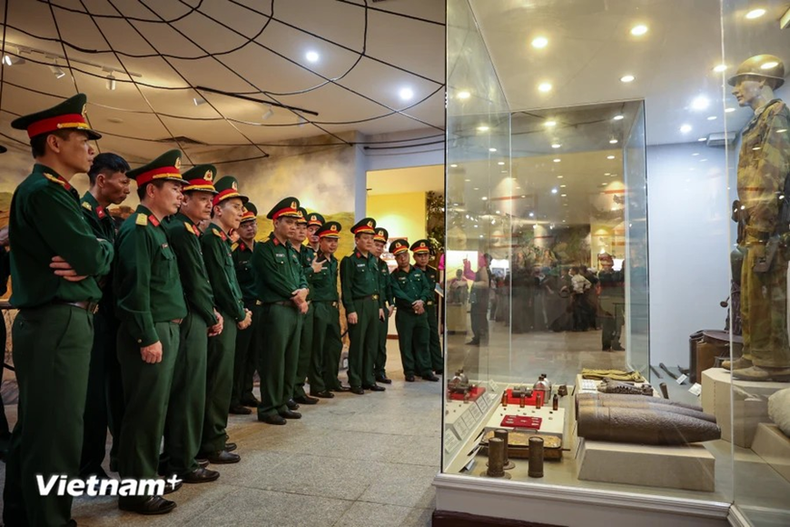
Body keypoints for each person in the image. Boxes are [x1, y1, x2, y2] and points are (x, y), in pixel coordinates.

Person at [4, 93, 115, 526]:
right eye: (82, 139)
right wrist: (99, 254)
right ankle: (48, 518)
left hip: (60, 318)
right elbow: (91, 258)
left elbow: (94, 254)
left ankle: (22, 514)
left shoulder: (55, 192)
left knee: (37, 428)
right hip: (58, 318)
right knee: (56, 432)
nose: (90, 149)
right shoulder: (46, 193)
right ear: (54, 142)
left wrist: (97, 252)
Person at [114, 149, 187, 515]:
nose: (180, 194)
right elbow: (134, 289)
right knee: (143, 413)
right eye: (174, 187)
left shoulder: (155, 228)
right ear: (151, 190)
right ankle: (136, 490)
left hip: (164, 328)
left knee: (153, 411)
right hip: (151, 331)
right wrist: (147, 336)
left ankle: (142, 477)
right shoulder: (138, 229)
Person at [726, 55, 790, 381]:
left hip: (769, 227)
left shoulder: (776, 117)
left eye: (742, 81)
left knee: (767, 295)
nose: (736, 89)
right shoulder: (758, 120)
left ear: (762, 80)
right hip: (754, 226)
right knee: (751, 294)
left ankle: (773, 361)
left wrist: (763, 226)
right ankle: (754, 354)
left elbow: (771, 175)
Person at [161, 164, 223, 483]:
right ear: (184, 200)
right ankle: (181, 461)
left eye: (210, 198)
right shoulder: (181, 230)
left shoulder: (188, 229)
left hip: (195, 314)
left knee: (192, 390)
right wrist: (212, 314)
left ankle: (183, 454)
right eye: (201, 197)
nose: (208, 203)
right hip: (190, 318)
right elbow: (196, 281)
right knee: (187, 392)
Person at [78, 153, 131, 480]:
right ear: (102, 180)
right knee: (92, 398)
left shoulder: (106, 219)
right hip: (92, 317)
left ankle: (114, 459)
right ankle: (87, 468)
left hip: (111, 316)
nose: (127, 187)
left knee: (114, 393)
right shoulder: (81, 214)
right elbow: (95, 263)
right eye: (123, 180)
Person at [199, 176, 252, 463]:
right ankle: (210, 441)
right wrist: (240, 313)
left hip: (229, 315)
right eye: (235, 206)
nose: (241, 212)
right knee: (216, 381)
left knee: (222, 379)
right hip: (220, 319)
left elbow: (230, 282)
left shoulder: (220, 239)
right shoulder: (211, 239)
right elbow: (220, 284)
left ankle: (216, 435)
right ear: (218, 210)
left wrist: (241, 309)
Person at [252, 197, 309, 425]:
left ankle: (283, 402)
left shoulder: (292, 251)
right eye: (289, 222)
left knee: (289, 360)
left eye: (296, 223)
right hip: (276, 311)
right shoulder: (264, 249)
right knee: (274, 361)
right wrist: (297, 297)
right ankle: (268, 407)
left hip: (293, 311)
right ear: (276, 223)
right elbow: (273, 279)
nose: (294, 227)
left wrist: (304, 290)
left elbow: (302, 275)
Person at [340, 218, 386, 394]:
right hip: (359, 306)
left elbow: (377, 286)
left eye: (371, 238)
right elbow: (347, 288)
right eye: (365, 238)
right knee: (358, 345)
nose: (369, 241)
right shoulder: (350, 261)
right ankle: (356, 381)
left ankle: (369, 378)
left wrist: (380, 305)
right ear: (356, 240)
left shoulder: (373, 261)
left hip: (374, 305)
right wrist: (350, 309)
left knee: (371, 344)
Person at [289, 207, 325, 406]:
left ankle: (298, 387)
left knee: (304, 350)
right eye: (299, 227)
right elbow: (297, 274)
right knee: (291, 351)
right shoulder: (287, 250)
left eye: (305, 228)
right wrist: (311, 269)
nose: (303, 231)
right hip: (291, 304)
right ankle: (288, 391)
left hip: (307, 306)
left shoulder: (306, 251)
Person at [230, 202, 263, 414]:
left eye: (252, 223)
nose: (249, 228)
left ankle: (247, 391)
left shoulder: (262, 250)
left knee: (254, 354)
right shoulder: (234, 253)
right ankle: (233, 399)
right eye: (245, 224)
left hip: (260, 307)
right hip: (244, 308)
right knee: (239, 356)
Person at [389, 239, 436, 382]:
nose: (402, 258)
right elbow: (398, 293)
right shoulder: (394, 276)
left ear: (409, 255)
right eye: (399, 256)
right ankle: (409, 371)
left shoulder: (418, 272)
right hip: (405, 314)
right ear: (396, 258)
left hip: (421, 313)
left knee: (423, 341)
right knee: (406, 344)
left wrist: (421, 300)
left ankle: (426, 370)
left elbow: (426, 287)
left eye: (404, 254)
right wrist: (413, 304)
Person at [310, 221, 347, 396]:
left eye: (335, 240)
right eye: (329, 240)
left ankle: (332, 380)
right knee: (317, 348)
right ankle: (317, 386)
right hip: (319, 307)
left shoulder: (334, 262)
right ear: (321, 241)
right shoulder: (314, 260)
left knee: (334, 345)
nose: (333, 244)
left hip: (332, 307)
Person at [411, 239, 443, 375]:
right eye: (420, 255)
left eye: (426, 255)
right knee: (420, 339)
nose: (423, 258)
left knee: (434, 337)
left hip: (431, 308)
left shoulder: (433, 272)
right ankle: (422, 366)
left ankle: (438, 364)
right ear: (414, 257)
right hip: (419, 309)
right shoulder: (411, 272)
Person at [372, 227, 393, 384]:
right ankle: (367, 371)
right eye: (376, 244)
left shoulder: (383, 265)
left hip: (383, 308)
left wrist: (391, 303)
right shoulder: (366, 263)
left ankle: (380, 370)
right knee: (370, 342)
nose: (379, 248)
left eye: (382, 245)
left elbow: (387, 286)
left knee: (381, 343)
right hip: (372, 306)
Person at [597, 254, 625, 351]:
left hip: (618, 299)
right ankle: (606, 345)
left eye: (608, 262)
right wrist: (624, 269)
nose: (607, 265)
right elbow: (613, 279)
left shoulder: (615, 273)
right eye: (605, 263)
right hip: (607, 300)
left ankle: (615, 342)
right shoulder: (602, 274)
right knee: (608, 323)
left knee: (618, 324)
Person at [466, 253, 491, 345]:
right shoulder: (478, 268)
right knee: (474, 316)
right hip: (476, 296)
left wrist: (473, 284)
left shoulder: (482, 269)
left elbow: (485, 283)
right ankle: (476, 337)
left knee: (480, 317)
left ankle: (482, 338)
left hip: (481, 298)